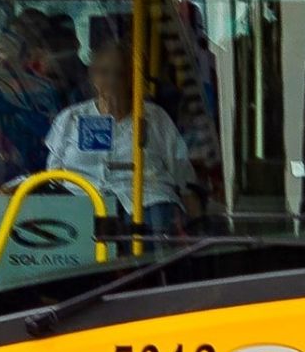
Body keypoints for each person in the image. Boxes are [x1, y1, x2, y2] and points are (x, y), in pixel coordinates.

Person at [43, 40, 197, 234]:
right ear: (92, 76)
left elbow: (181, 171)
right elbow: (53, 173)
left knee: (157, 219)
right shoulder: (71, 118)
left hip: (147, 202)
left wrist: (196, 218)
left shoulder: (155, 117)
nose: (112, 80)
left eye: (120, 74)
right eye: (104, 72)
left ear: (133, 77)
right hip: (82, 203)